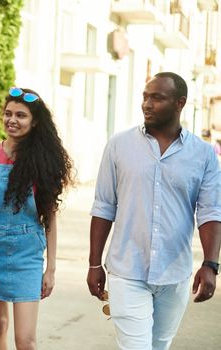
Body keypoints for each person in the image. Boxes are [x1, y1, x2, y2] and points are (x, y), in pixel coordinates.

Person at [87, 72, 221, 350]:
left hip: (175, 273)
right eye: (145, 97)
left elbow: (209, 212)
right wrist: (94, 262)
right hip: (127, 269)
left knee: (159, 345)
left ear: (179, 103)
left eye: (156, 98)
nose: (147, 104)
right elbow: (103, 206)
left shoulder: (203, 154)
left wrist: (210, 264)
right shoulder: (119, 145)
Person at [0, 87, 73, 350]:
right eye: (8, 113)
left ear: (34, 121)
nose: (12, 120)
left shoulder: (43, 160)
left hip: (27, 253)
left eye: (21, 115)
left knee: (25, 340)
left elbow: (49, 217)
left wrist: (51, 269)